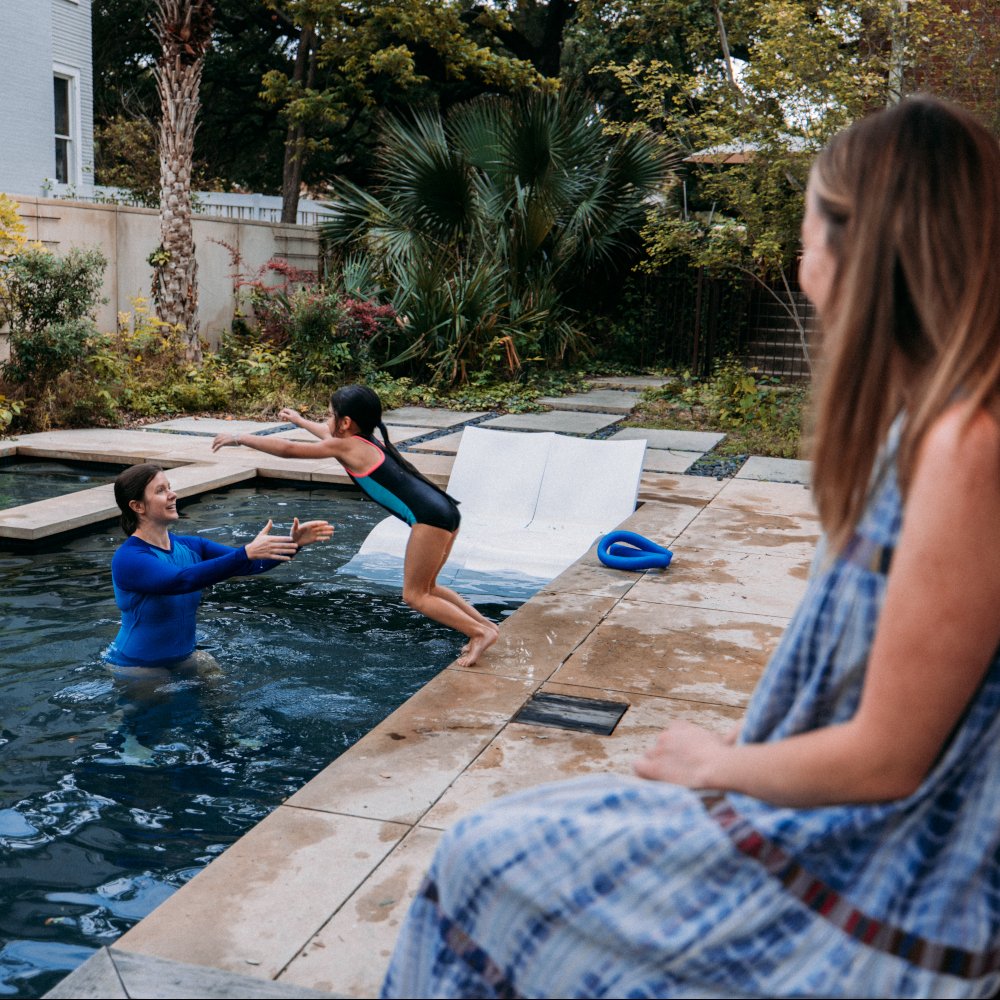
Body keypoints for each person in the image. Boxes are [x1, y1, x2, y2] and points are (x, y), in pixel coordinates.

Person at [378, 95, 1000, 999]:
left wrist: (719, 765)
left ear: (863, 246)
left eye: (808, 228)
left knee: (479, 863)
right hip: (831, 844)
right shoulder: (927, 430)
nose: (797, 257)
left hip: (880, 891)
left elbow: (889, 756)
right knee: (525, 841)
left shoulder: (967, 443)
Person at [211, 386, 499, 667]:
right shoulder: (365, 441)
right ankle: (488, 627)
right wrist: (299, 421)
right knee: (430, 587)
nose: (326, 421)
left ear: (346, 422)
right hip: (446, 512)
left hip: (429, 520)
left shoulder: (347, 446)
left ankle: (478, 632)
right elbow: (327, 435)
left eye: (329, 415)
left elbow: (289, 449)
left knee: (415, 595)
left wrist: (240, 437)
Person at [106, 463, 332, 676]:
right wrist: (244, 553)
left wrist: (295, 543)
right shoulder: (129, 559)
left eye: (170, 488)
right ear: (137, 506)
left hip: (185, 656)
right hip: (139, 667)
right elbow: (181, 581)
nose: (172, 494)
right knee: (165, 714)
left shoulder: (192, 546)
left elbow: (251, 564)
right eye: (160, 490)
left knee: (221, 694)